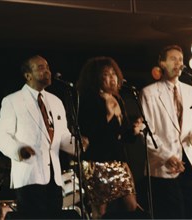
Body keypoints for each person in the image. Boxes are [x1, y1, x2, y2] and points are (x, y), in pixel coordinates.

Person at [0, 55, 87, 219]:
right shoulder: (13, 101)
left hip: (54, 176)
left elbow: (62, 135)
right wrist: (18, 150)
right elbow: (1, 135)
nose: (48, 71)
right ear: (28, 75)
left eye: (48, 67)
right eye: (41, 67)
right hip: (30, 173)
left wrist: (76, 144)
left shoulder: (55, 101)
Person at [139, 45, 192, 219]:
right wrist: (167, 156)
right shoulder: (149, 93)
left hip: (187, 164)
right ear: (162, 63)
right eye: (173, 59)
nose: (179, 63)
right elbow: (146, 133)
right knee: (170, 214)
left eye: (181, 59)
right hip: (162, 167)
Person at [76, 56, 144, 219]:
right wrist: (107, 115)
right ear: (96, 78)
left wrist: (134, 130)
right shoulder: (88, 99)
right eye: (106, 74)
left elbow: (123, 136)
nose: (112, 78)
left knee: (131, 205)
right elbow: (87, 131)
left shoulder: (118, 99)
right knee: (100, 210)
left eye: (114, 73)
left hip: (119, 160)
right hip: (97, 162)